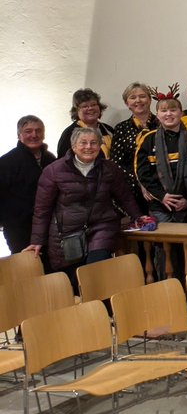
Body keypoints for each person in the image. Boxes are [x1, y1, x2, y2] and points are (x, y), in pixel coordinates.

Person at [29, 127, 145, 292]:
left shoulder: (109, 168)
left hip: (101, 226)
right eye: (83, 143)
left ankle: (105, 312)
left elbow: (124, 197)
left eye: (93, 143)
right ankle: (85, 314)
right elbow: (42, 209)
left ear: (100, 146)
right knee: (73, 281)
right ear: (73, 146)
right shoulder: (54, 171)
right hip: (67, 232)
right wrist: (37, 240)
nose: (88, 147)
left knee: (95, 272)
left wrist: (138, 217)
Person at [135, 95, 187, 225]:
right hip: (159, 206)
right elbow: (142, 173)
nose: (168, 114)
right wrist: (162, 196)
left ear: (181, 113)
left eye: (173, 110)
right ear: (157, 115)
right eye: (163, 110)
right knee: (163, 244)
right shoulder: (147, 139)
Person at [0, 116, 55, 255]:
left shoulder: (51, 159)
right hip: (19, 229)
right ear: (19, 135)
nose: (34, 135)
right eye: (28, 131)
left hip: (50, 226)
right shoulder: (6, 162)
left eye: (38, 131)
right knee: (28, 269)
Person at [110, 82, 158, 214]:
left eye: (142, 96)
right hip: (133, 191)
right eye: (132, 97)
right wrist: (141, 182)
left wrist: (153, 184)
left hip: (163, 187)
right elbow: (116, 163)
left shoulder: (162, 124)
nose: (138, 100)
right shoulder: (121, 128)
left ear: (149, 100)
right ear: (127, 103)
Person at [56, 88, 116, 158]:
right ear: (76, 111)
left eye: (93, 105)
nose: (90, 108)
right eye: (85, 106)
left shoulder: (108, 130)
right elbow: (63, 161)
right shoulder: (70, 133)